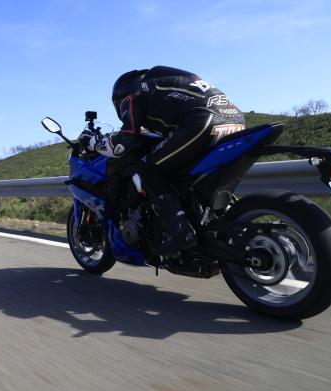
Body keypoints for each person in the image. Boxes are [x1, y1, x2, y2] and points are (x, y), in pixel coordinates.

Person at [79, 66, 245, 258]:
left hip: (202, 122)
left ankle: (181, 231)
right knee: (181, 174)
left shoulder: (134, 94)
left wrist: (92, 142)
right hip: (235, 121)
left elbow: (123, 143)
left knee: (147, 169)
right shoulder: (165, 83)